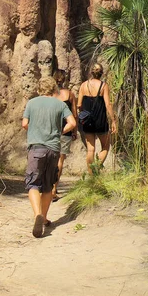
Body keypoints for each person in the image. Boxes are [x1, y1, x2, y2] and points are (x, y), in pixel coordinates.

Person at [22, 76, 76, 238]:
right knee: (47, 185)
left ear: (39, 89)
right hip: (53, 149)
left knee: (32, 184)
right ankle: (44, 218)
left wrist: (34, 130)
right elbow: (72, 123)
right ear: (54, 89)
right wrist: (60, 131)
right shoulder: (60, 104)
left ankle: (37, 214)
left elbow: (24, 124)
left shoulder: (32, 103)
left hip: (36, 148)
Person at [78, 62, 117, 174]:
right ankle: (96, 167)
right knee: (105, 146)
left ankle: (91, 175)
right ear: (101, 73)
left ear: (91, 72)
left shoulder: (83, 85)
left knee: (90, 149)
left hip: (87, 120)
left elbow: (79, 104)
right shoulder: (104, 86)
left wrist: (83, 114)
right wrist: (113, 120)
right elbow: (108, 104)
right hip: (100, 120)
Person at [52, 69, 77, 202]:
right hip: (66, 130)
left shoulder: (50, 95)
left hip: (51, 130)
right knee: (60, 160)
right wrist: (74, 131)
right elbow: (74, 114)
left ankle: (48, 186)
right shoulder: (70, 94)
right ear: (65, 80)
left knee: (51, 159)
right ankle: (54, 188)